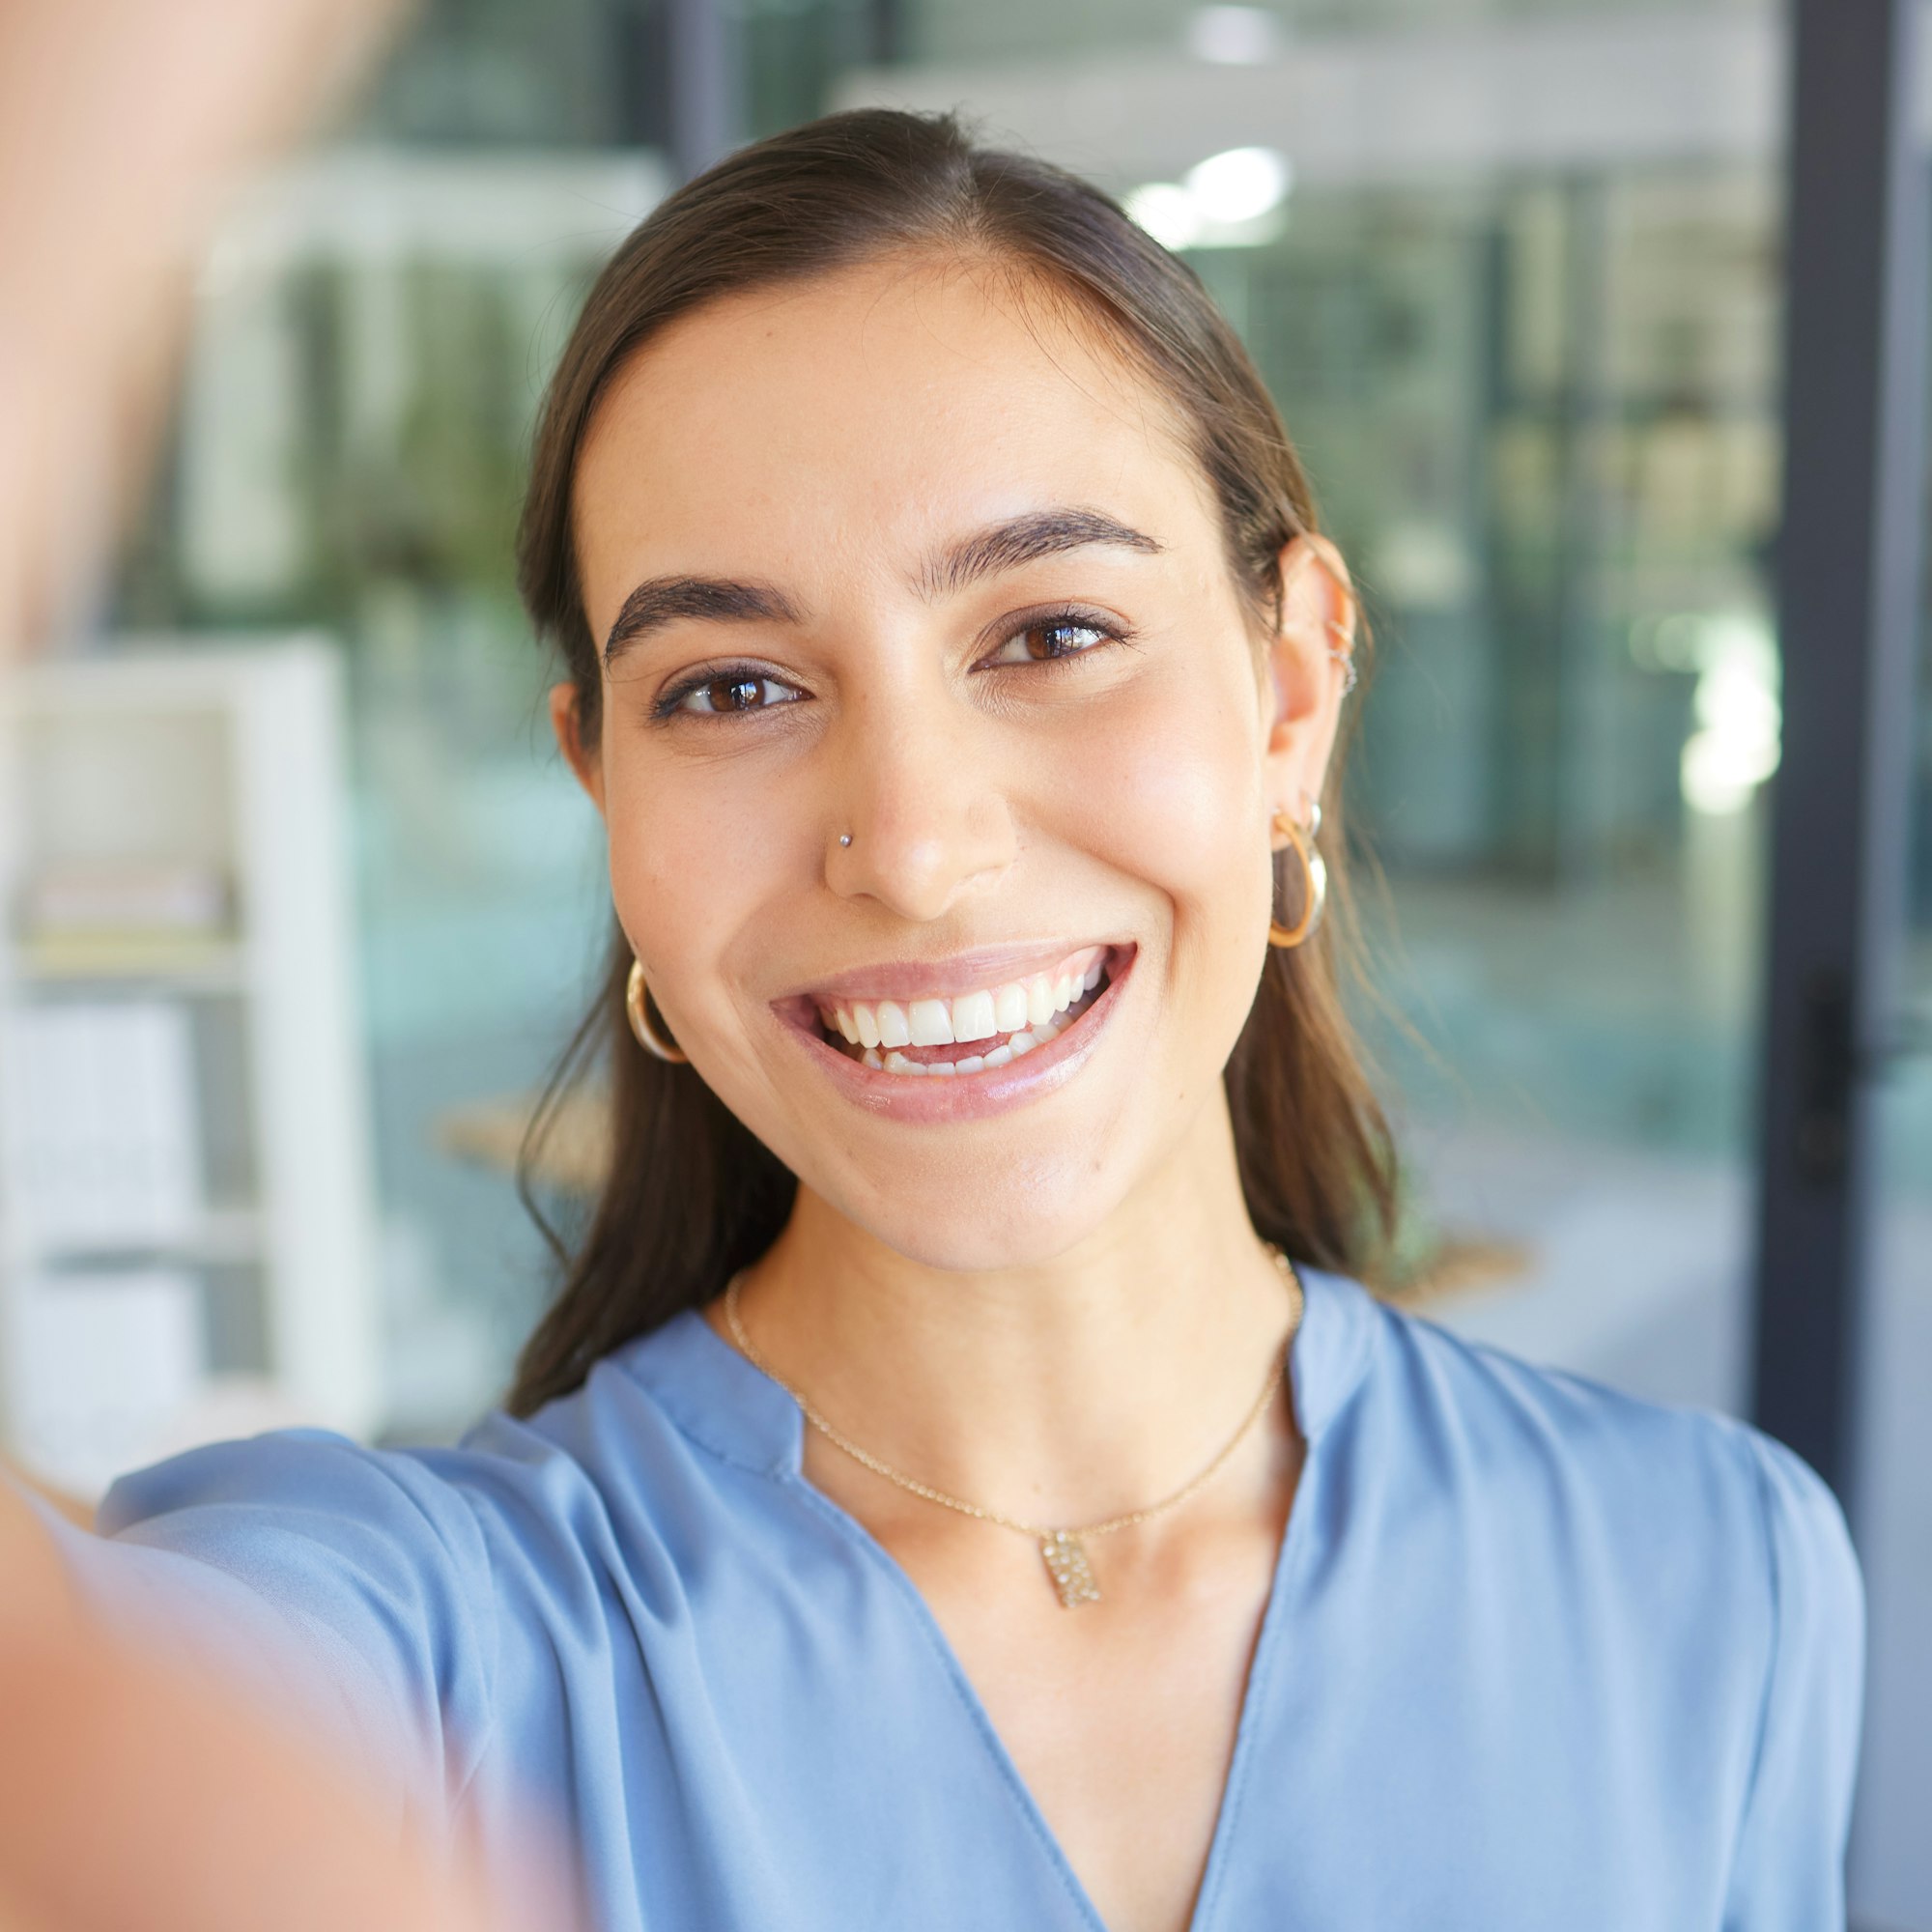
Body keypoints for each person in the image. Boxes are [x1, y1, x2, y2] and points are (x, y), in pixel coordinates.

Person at [8, 108, 1862, 1932]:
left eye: (1050, 635)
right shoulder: (426, 1662)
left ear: (1290, 692)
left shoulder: (1718, 1578)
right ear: (603, 794)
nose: (909, 846)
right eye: (730, 686)